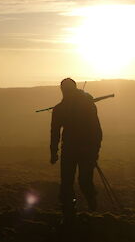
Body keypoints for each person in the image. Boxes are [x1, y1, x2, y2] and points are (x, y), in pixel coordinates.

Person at [50, 78, 102, 224]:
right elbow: (55, 132)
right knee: (67, 183)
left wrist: (94, 151)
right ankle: (69, 213)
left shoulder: (84, 106)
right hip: (71, 151)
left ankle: (89, 197)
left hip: (84, 150)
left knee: (83, 181)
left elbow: (97, 131)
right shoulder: (61, 109)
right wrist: (54, 152)